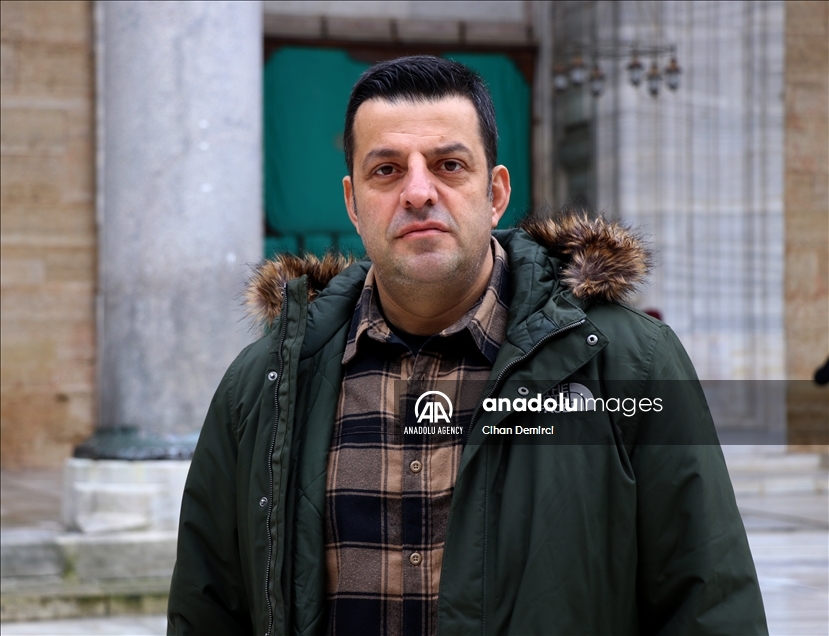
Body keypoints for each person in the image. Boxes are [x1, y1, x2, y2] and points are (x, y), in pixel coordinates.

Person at [168, 56, 767, 635]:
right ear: (352, 202)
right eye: (387, 170)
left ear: (496, 192)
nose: (418, 191)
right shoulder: (264, 386)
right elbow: (208, 608)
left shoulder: (629, 364)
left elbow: (708, 602)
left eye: (449, 165)